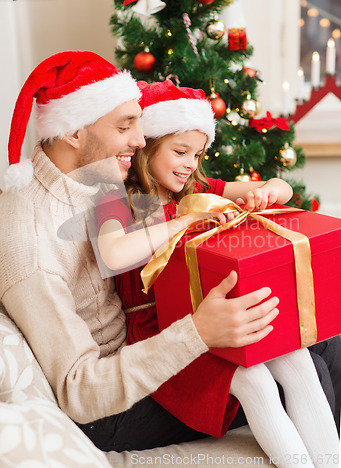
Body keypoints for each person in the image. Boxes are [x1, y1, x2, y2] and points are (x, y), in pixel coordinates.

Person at [0, 52, 339, 460]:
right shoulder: (42, 239)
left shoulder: (95, 174)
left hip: (157, 335)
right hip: (112, 402)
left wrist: (264, 189)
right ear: (73, 132)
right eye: (126, 126)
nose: (140, 139)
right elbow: (82, 391)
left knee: (316, 341)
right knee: (288, 370)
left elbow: (227, 190)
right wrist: (199, 330)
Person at [95, 80, 338, 467]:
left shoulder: (201, 188)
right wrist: (183, 219)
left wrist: (266, 192)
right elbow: (112, 253)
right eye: (180, 151)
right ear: (148, 144)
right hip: (162, 334)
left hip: (215, 318)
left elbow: (282, 189)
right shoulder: (117, 197)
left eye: (198, 153)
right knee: (253, 379)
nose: (191, 163)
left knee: (295, 358)